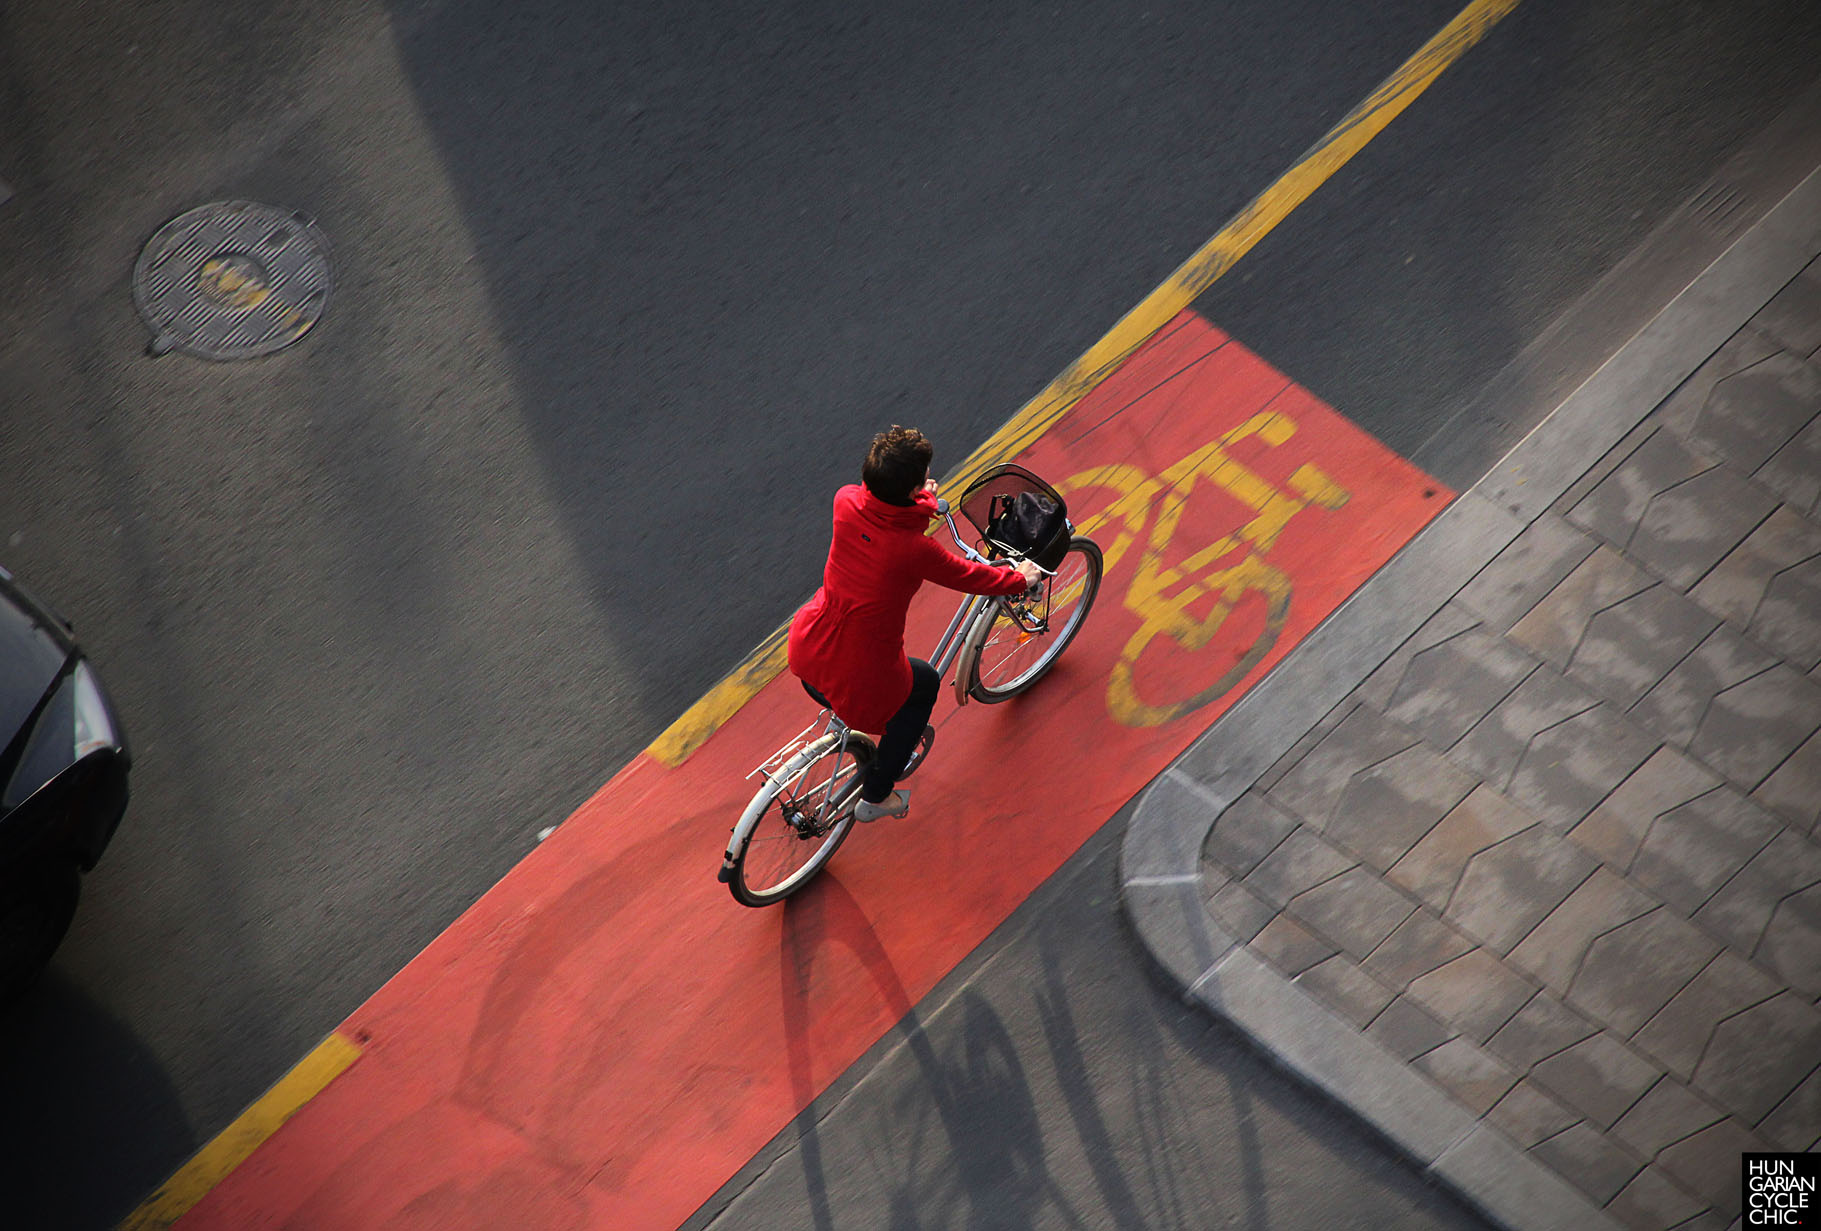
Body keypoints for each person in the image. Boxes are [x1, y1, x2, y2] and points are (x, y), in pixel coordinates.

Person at [788, 426, 1041, 823]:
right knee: (923, 686)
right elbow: (970, 577)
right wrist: (1019, 578)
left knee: (894, 681)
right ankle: (875, 795)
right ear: (908, 491)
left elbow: (885, 514)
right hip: (861, 673)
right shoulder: (912, 551)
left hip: (809, 645)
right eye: (924, 479)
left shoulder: (845, 501)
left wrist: (920, 497)